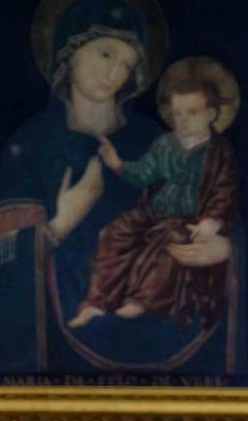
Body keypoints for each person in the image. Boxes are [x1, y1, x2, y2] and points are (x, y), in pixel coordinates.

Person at [0, 0, 241, 375]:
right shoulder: (29, 144)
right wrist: (62, 223)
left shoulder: (157, 138)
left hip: (166, 312)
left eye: (127, 66)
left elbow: (219, 208)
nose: (115, 74)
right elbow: (2, 260)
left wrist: (224, 250)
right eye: (106, 54)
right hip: (61, 334)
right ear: (70, 50)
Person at [69, 71, 238, 328]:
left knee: (168, 246)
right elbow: (144, 173)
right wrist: (117, 163)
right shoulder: (164, 144)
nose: (182, 121)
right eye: (177, 114)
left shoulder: (219, 152)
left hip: (188, 220)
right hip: (152, 213)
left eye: (192, 113)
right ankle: (98, 302)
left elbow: (224, 190)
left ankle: (142, 300)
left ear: (211, 114)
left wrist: (212, 220)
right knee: (115, 233)